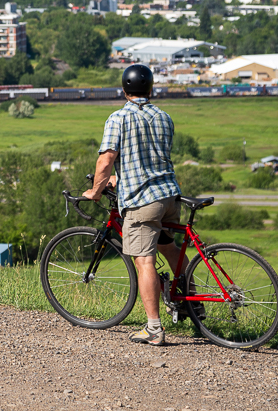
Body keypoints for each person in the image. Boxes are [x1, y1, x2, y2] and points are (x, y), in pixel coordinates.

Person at [81, 64, 188, 346]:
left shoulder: (118, 118)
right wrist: (120, 178)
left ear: (124, 90)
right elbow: (149, 158)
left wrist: (95, 190)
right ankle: (190, 302)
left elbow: (106, 159)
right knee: (169, 247)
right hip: (169, 196)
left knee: (144, 261)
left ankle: (154, 328)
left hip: (142, 201)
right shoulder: (165, 117)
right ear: (151, 89)